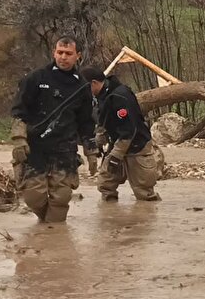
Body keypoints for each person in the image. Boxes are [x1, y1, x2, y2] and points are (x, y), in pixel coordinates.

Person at [11, 36, 97, 222]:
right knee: (34, 196)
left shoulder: (82, 86)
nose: (63, 57)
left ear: (78, 56)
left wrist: (91, 152)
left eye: (68, 54)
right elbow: (19, 111)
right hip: (35, 147)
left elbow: (86, 122)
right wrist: (18, 139)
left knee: (61, 198)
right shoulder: (35, 78)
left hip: (65, 150)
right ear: (54, 53)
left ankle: (53, 237)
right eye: (60, 52)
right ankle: (46, 228)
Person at [81, 66, 163, 202]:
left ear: (94, 83)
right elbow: (104, 121)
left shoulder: (120, 96)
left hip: (137, 146)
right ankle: (109, 217)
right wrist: (99, 138)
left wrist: (116, 155)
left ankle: (148, 218)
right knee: (105, 184)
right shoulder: (101, 96)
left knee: (144, 191)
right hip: (117, 143)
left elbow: (129, 129)